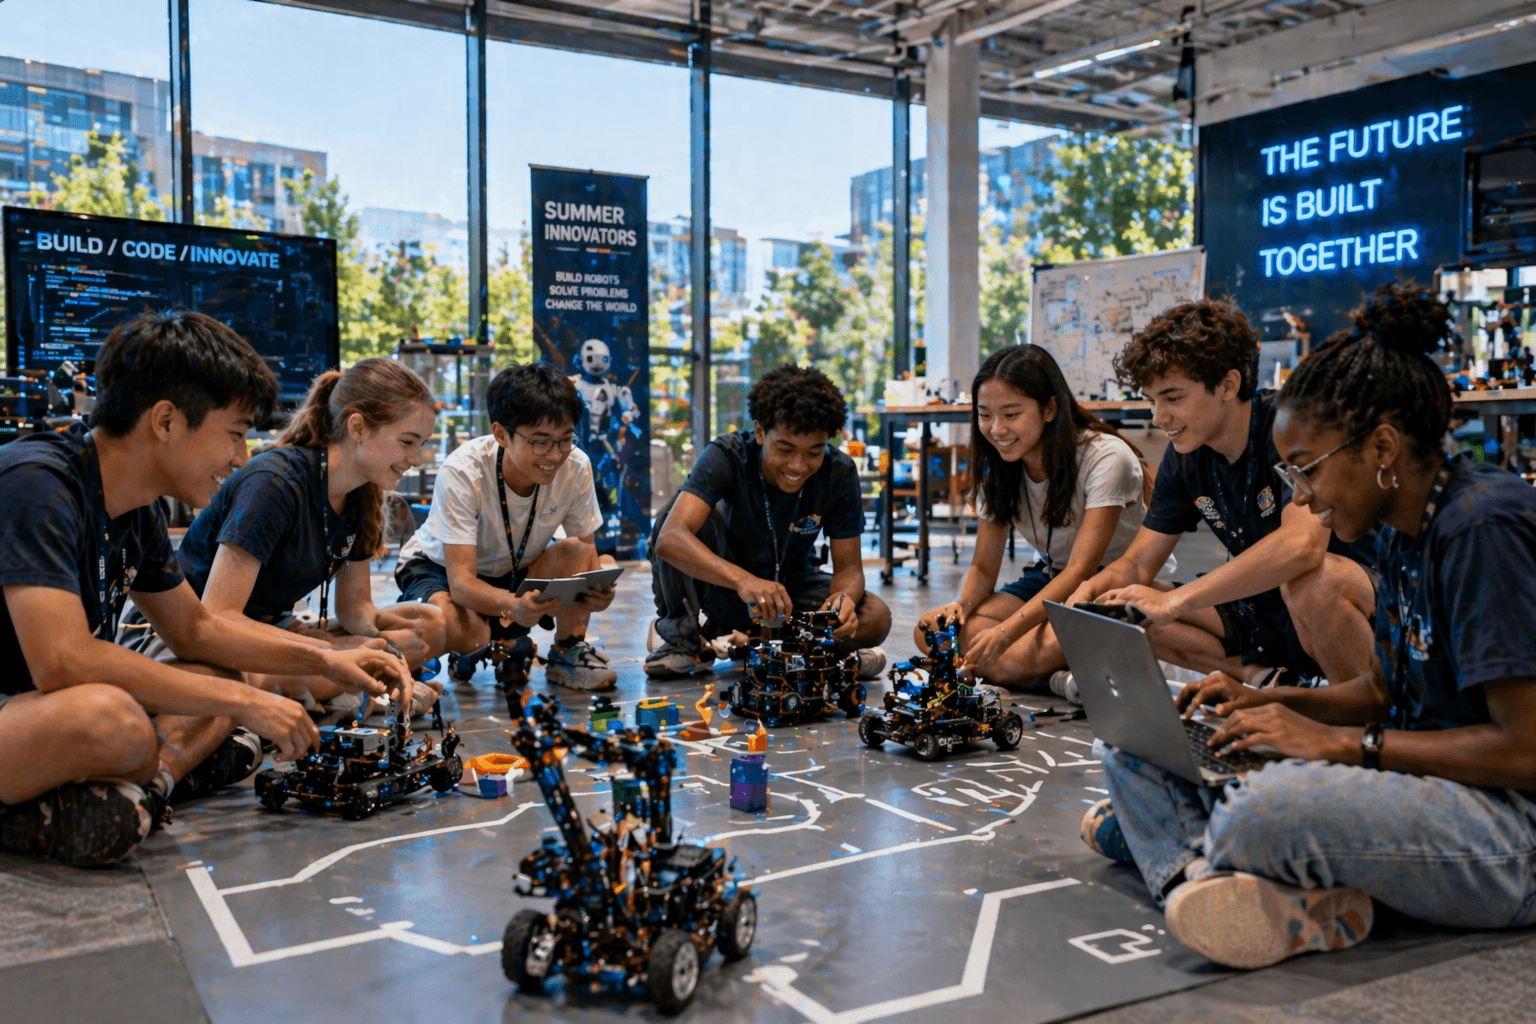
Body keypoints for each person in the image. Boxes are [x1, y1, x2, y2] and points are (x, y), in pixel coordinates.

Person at [1083, 283, 1536, 970]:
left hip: (1510, 833)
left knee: (1262, 812)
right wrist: (1271, 705)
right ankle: (1219, 884)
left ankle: (1189, 855)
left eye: (1305, 470)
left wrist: (1343, 746)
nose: (1301, 496)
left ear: (1381, 448)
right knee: (1135, 749)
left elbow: (1523, 752)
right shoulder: (1395, 532)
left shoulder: (1481, 528)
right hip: (1425, 789)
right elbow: (1379, 692)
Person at [0, 311, 407, 867]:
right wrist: (249, 702)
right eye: (235, 433)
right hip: (41, 706)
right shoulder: (36, 483)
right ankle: (102, 786)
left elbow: (195, 630)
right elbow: (63, 662)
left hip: (36, 710)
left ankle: (147, 790)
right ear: (166, 421)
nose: (241, 457)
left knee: (216, 680)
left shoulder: (134, 507)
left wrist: (328, 659)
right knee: (112, 720)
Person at [1067, 298, 1377, 688]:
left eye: (1173, 398)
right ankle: (1267, 680)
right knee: (1126, 604)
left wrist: (1175, 601)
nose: (1158, 418)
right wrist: (1096, 590)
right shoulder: (1184, 457)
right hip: (1268, 607)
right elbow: (1138, 563)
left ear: (1228, 385)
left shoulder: (1288, 428)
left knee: (1314, 581)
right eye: (1152, 400)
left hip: (1347, 597)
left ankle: (1356, 718)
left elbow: (1303, 546)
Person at [172, 358, 446, 714]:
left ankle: (353, 685)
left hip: (270, 625)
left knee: (427, 627)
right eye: (408, 441)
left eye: (422, 444)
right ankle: (346, 688)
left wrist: (379, 634)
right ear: (358, 427)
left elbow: (353, 606)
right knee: (324, 658)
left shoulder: (363, 492)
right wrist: (330, 653)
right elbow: (218, 615)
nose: (416, 459)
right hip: (193, 628)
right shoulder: (274, 483)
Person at [917, 345, 1149, 691]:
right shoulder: (997, 467)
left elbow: (1081, 570)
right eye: (984, 415)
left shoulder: (1106, 457)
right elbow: (983, 568)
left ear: (1050, 409)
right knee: (932, 633)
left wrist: (1008, 630)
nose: (996, 429)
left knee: (1008, 657)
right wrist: (960, 606)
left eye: (1011, 415)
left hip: (1105, 584)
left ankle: (1042, 667)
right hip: (1051, 576)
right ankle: (1061, 673)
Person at [646, 364, 890, 678]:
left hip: (787, 594)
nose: (798, 466)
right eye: (785, 449)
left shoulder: (839, 472)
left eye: (814, 452)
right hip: (723, 587)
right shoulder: (727, 455)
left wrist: (843, 601)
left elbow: (849, 569)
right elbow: (669, 539)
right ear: (760, 432)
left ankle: (778, 649)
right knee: (675, 518)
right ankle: (683, 639)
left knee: (875, 616)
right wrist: (743, 581)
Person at [394, 363, 616, 692]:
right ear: (501, 434)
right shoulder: (463, 470)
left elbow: (587, 555)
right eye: (540, 442)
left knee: (580, 554)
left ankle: (567, 651)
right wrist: (513, 606)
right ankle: (474, 643)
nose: (554, 456)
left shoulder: (576, 466)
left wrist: (600, 587)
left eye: (565, 439)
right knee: (452, 622)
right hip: (441, 569)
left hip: (514, 569)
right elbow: (462, 584)